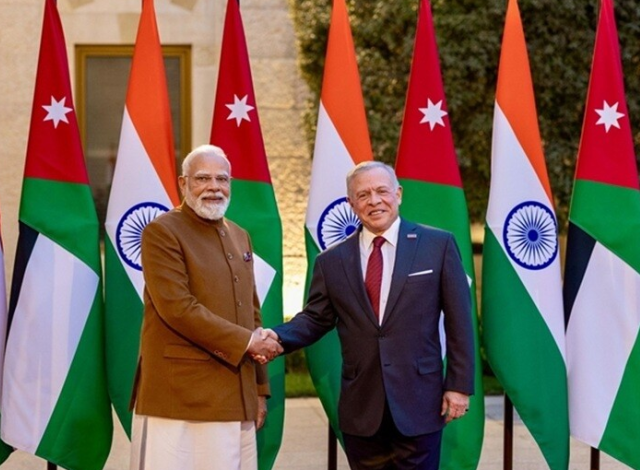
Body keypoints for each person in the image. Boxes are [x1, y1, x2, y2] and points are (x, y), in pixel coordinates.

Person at [263, 161, 474, 470]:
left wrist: (458, 386)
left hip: (420, 400)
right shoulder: (331, 261)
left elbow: (460, 322)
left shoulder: (437, 245)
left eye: (381, 191)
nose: (374, 201)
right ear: (351, 204)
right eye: (363, 195)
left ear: (398, 194)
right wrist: (276, 336)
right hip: (361, 407)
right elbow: (316, 318)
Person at [129, 144, 282, 470]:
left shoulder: (239, 235)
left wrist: (259, 389)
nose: (214, 187)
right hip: (181, 398)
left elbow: (252, 312)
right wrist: (249, 342)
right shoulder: (161, 232)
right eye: (202, 178)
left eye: (222, 179)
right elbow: (178, 308)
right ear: (183, 183)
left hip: (236, 394)